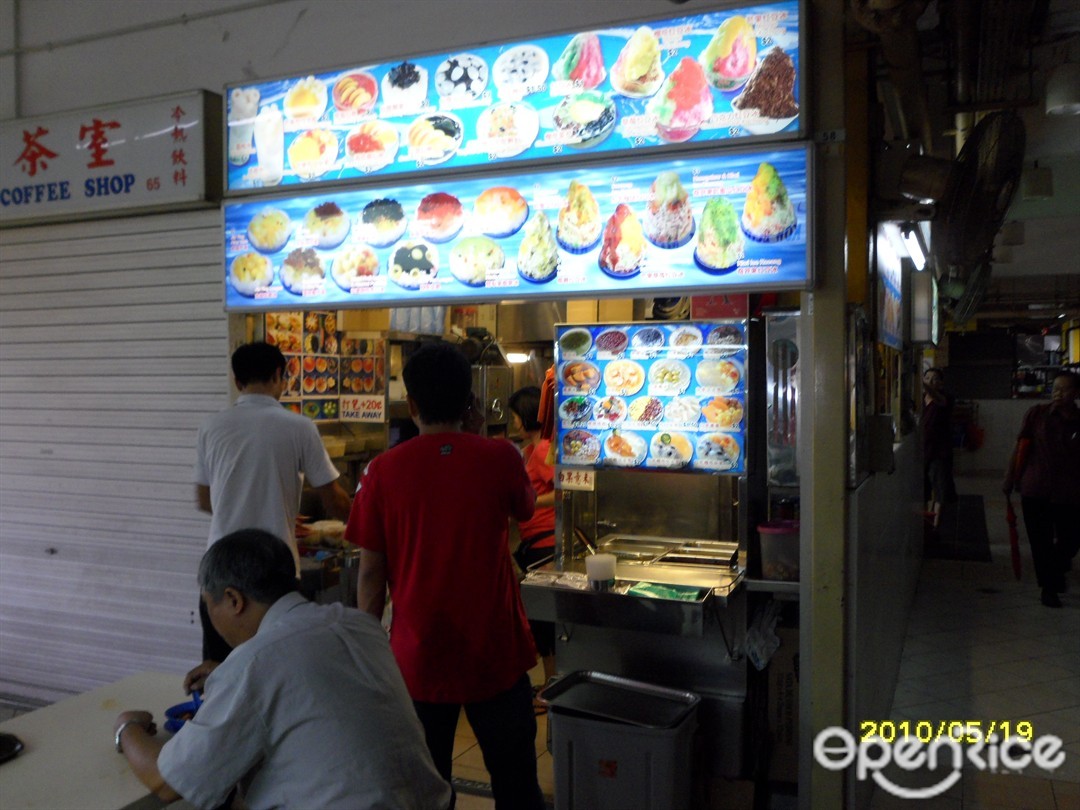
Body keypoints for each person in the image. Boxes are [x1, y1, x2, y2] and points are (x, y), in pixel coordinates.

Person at [113, 529, 451, 810]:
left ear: (233, 599)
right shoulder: (357, 624)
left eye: (209, 605)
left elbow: (167, 782)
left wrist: (127, 728)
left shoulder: (254, 663)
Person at [345, 341, 545, 810]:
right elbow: (525, 509)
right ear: (470, 401)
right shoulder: (500, 458)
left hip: (418, 658)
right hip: (495, 651)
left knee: (425, 791)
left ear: (412, 405)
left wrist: (369, 653)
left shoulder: (382, 471)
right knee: (517, 785)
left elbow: (371, 575)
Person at [194, 341, 352, 663]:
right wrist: (368, 523)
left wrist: (245, 508)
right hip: (273, 577)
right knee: (276, 668)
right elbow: (334, 501)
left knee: (219, 672)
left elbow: (204, 499)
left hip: (219, 574)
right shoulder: (299, 426)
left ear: (237, 381)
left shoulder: (211, 427)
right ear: (280, 375)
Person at [1003, 371, 1080, 608]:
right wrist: (1009, 477)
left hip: (1070, 492)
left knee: (1070, 540)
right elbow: (1020, 445)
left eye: (1064, 389)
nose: (1058, 393)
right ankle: (1048, 588)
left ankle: (1057, 569)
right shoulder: (1037, 414)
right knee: (1040, 542)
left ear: (1076, 393)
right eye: (1055, 388)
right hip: (1036, 487)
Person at [508, 385, 558, 692]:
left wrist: (529, 503)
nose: (514, 422)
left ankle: (550, 685)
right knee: (540, 618)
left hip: (545, 543)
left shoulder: (542, 450)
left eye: (515, 416)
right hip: (535, 542)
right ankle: (549, 683)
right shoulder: (531, 451)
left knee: (544, 619)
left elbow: (563, 491)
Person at [921, 367, 956, 529]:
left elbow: (937, 398)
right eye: (927, 378)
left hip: (940, 453)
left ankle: (936, 527)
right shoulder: (920, 400)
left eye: (934, 378)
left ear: (941, 383)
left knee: (940, 490)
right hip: (924, 452)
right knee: (924, 491)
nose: (930, 381)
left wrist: (921, 383)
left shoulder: (946, 398)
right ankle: (926, 523)